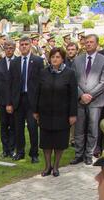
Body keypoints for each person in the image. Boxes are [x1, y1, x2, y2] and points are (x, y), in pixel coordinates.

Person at [35, 47, 77, 176]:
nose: (55, 59)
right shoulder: (43, 73)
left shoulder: (69, 73)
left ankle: (56, 167)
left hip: (62, 114)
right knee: (46, 142)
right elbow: (37, 92)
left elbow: (73, 95)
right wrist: (35, 110)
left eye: (57, 57)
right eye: (53, 57)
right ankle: (48, 166)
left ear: (62, 58)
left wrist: (72, 114)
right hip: (45, 113)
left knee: (59, 142)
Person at [70, 34, 104, 165]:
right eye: (86, 42)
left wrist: (90, 95)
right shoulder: (77, 60)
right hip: (80, 100)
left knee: (93, 128)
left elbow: (103, 82)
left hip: (95, 101)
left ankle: (89, 154)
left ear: (97, 44)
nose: (88, 44)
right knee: (79, 128)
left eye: (91, 42)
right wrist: (81, 95)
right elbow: (73, 81)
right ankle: (78, 154)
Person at [8, 35, 44, 163]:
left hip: (32, 100)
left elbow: (41, 83)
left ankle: (34, 153)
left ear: (30, 45)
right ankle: (20, 152)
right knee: (18, 128)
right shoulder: (14, 62)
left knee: (33, 127)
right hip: (18, 100)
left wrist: (39, 105)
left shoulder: (38, 61)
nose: (23, 46)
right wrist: (9, 103)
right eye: (21, 44)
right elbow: (10, 84)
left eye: (26, 44)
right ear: (19, 46)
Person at [0, 40, 15, 159]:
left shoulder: (18, 62)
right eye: (7, 48)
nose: (9, 50)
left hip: (14, 100)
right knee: (4, 125)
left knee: (14, 125)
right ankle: (5, 149)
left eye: (11, 48)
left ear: (14, 48)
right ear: (4, 49)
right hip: (1, 99)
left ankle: (12, 148)